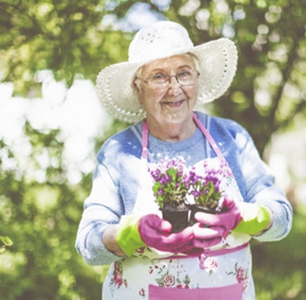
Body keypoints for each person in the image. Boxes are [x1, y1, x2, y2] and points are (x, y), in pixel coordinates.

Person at [76, 21, 293, 300]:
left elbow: (282, 218)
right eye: (159, 77)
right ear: (138, 90)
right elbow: (89, 244)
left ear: (197, 79)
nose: (174, 88)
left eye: (183, 73)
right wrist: (134, 233)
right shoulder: (119, 151)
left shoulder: (231, 137)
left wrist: (245, 216)